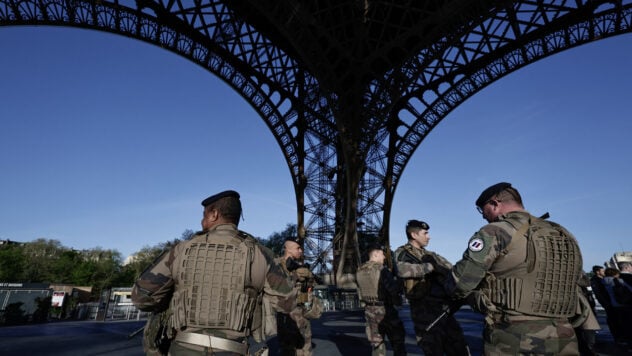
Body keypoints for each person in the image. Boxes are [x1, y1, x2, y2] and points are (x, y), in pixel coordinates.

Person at [131, 190, 296, 355]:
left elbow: (141, 298)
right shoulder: (262, 254)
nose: (201, 220)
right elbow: (287, 302)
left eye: (204, 215)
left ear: (214, 215)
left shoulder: (180, 250)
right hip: (233, 350)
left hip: (182, 348)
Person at [445, 182, 583, 355]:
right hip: (564, 331)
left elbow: (461, 282)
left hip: (514, 335)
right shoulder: (562, 232)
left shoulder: (496, 230)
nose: (483, 217)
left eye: (483, 209)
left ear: (495, 203)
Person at [394, 220, 469, 355]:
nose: (429, 236)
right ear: (414, 235)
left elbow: (451, 270)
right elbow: (401, 270)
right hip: (423, 312)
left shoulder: (432, 255)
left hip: (443, 309)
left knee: (459, 347)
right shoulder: (402, 253)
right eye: (425, 233)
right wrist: (429, 267)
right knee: (433, 349)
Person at [356, 243, 407, 356]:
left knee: (377, 345)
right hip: (385, 310)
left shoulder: (360, 270)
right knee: (398, 342)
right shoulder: (381, 269)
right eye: (382, 254)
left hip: (369, 310)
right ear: (376, 254)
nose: (384, 257)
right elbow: (392, 289)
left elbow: (360, 291)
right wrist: (399, 282)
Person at [274, 236, 320, 356]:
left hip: (303, 315)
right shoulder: (276, 265)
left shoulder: (300, 266)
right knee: (288, 350)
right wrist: (295, 277)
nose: (301, 251)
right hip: (286, 317)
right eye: (298, 248)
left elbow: (308, 290)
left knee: (306, 349)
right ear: (288, 249)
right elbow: (276, 289)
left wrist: (308, 279)